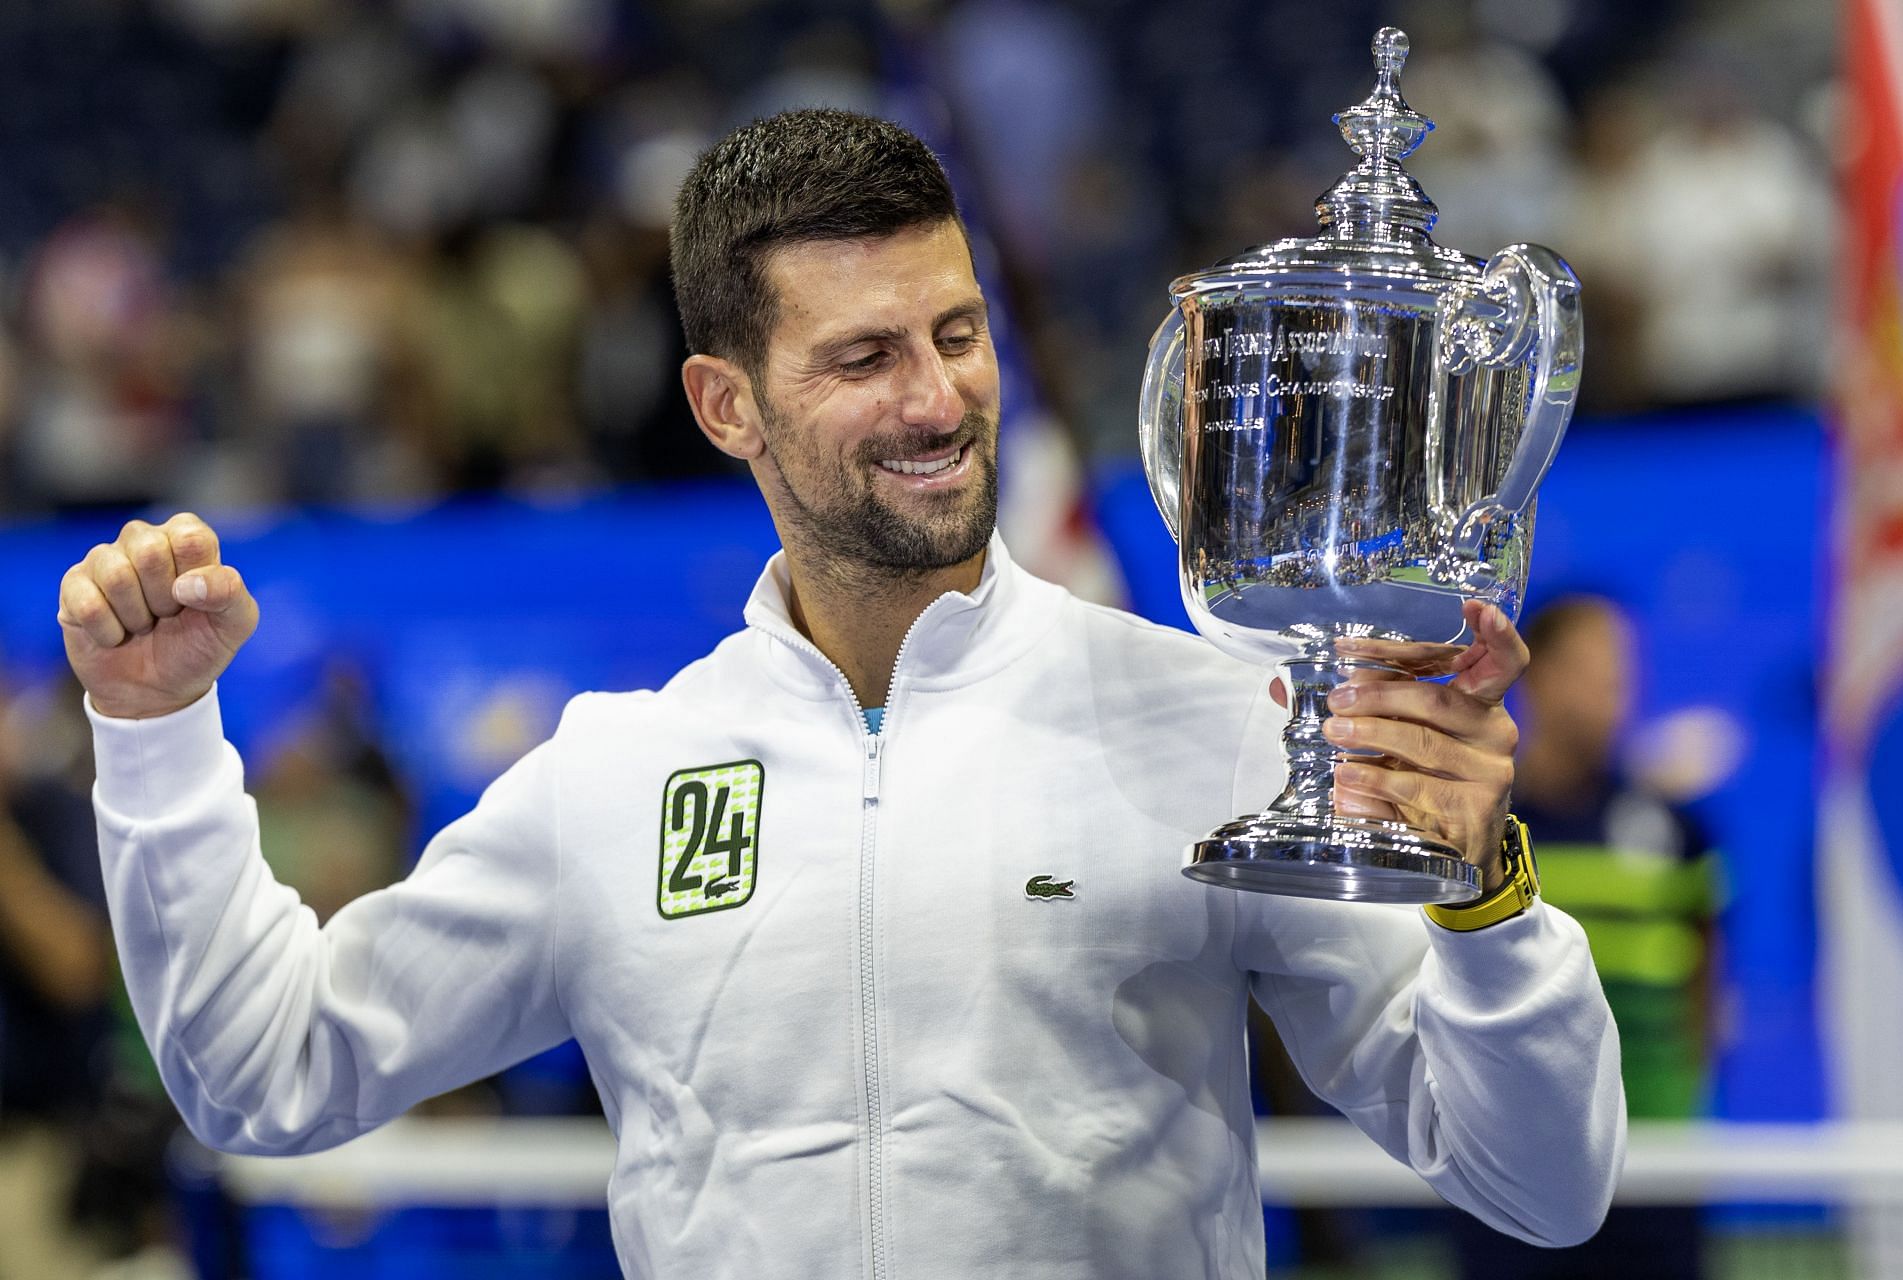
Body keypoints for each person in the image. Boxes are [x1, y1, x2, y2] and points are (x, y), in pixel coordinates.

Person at [56, 109, 1625, 1278]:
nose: (939, 398)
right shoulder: (615, 778)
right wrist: (154, 738)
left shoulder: (1212, 725)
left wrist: (1487, 907)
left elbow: (1545, 1184)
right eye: (865, 357)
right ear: (725, 404)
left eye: (958, 334)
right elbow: (261, 1073)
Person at [1451, 593, 1720, 1279]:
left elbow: (1707, 984)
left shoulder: (1679, 831)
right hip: (1509, 1167)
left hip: (1655, 1168)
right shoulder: (1480, 833)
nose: (1613, 689)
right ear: (1535, 677)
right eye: (1592, 667)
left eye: (1622, 670)